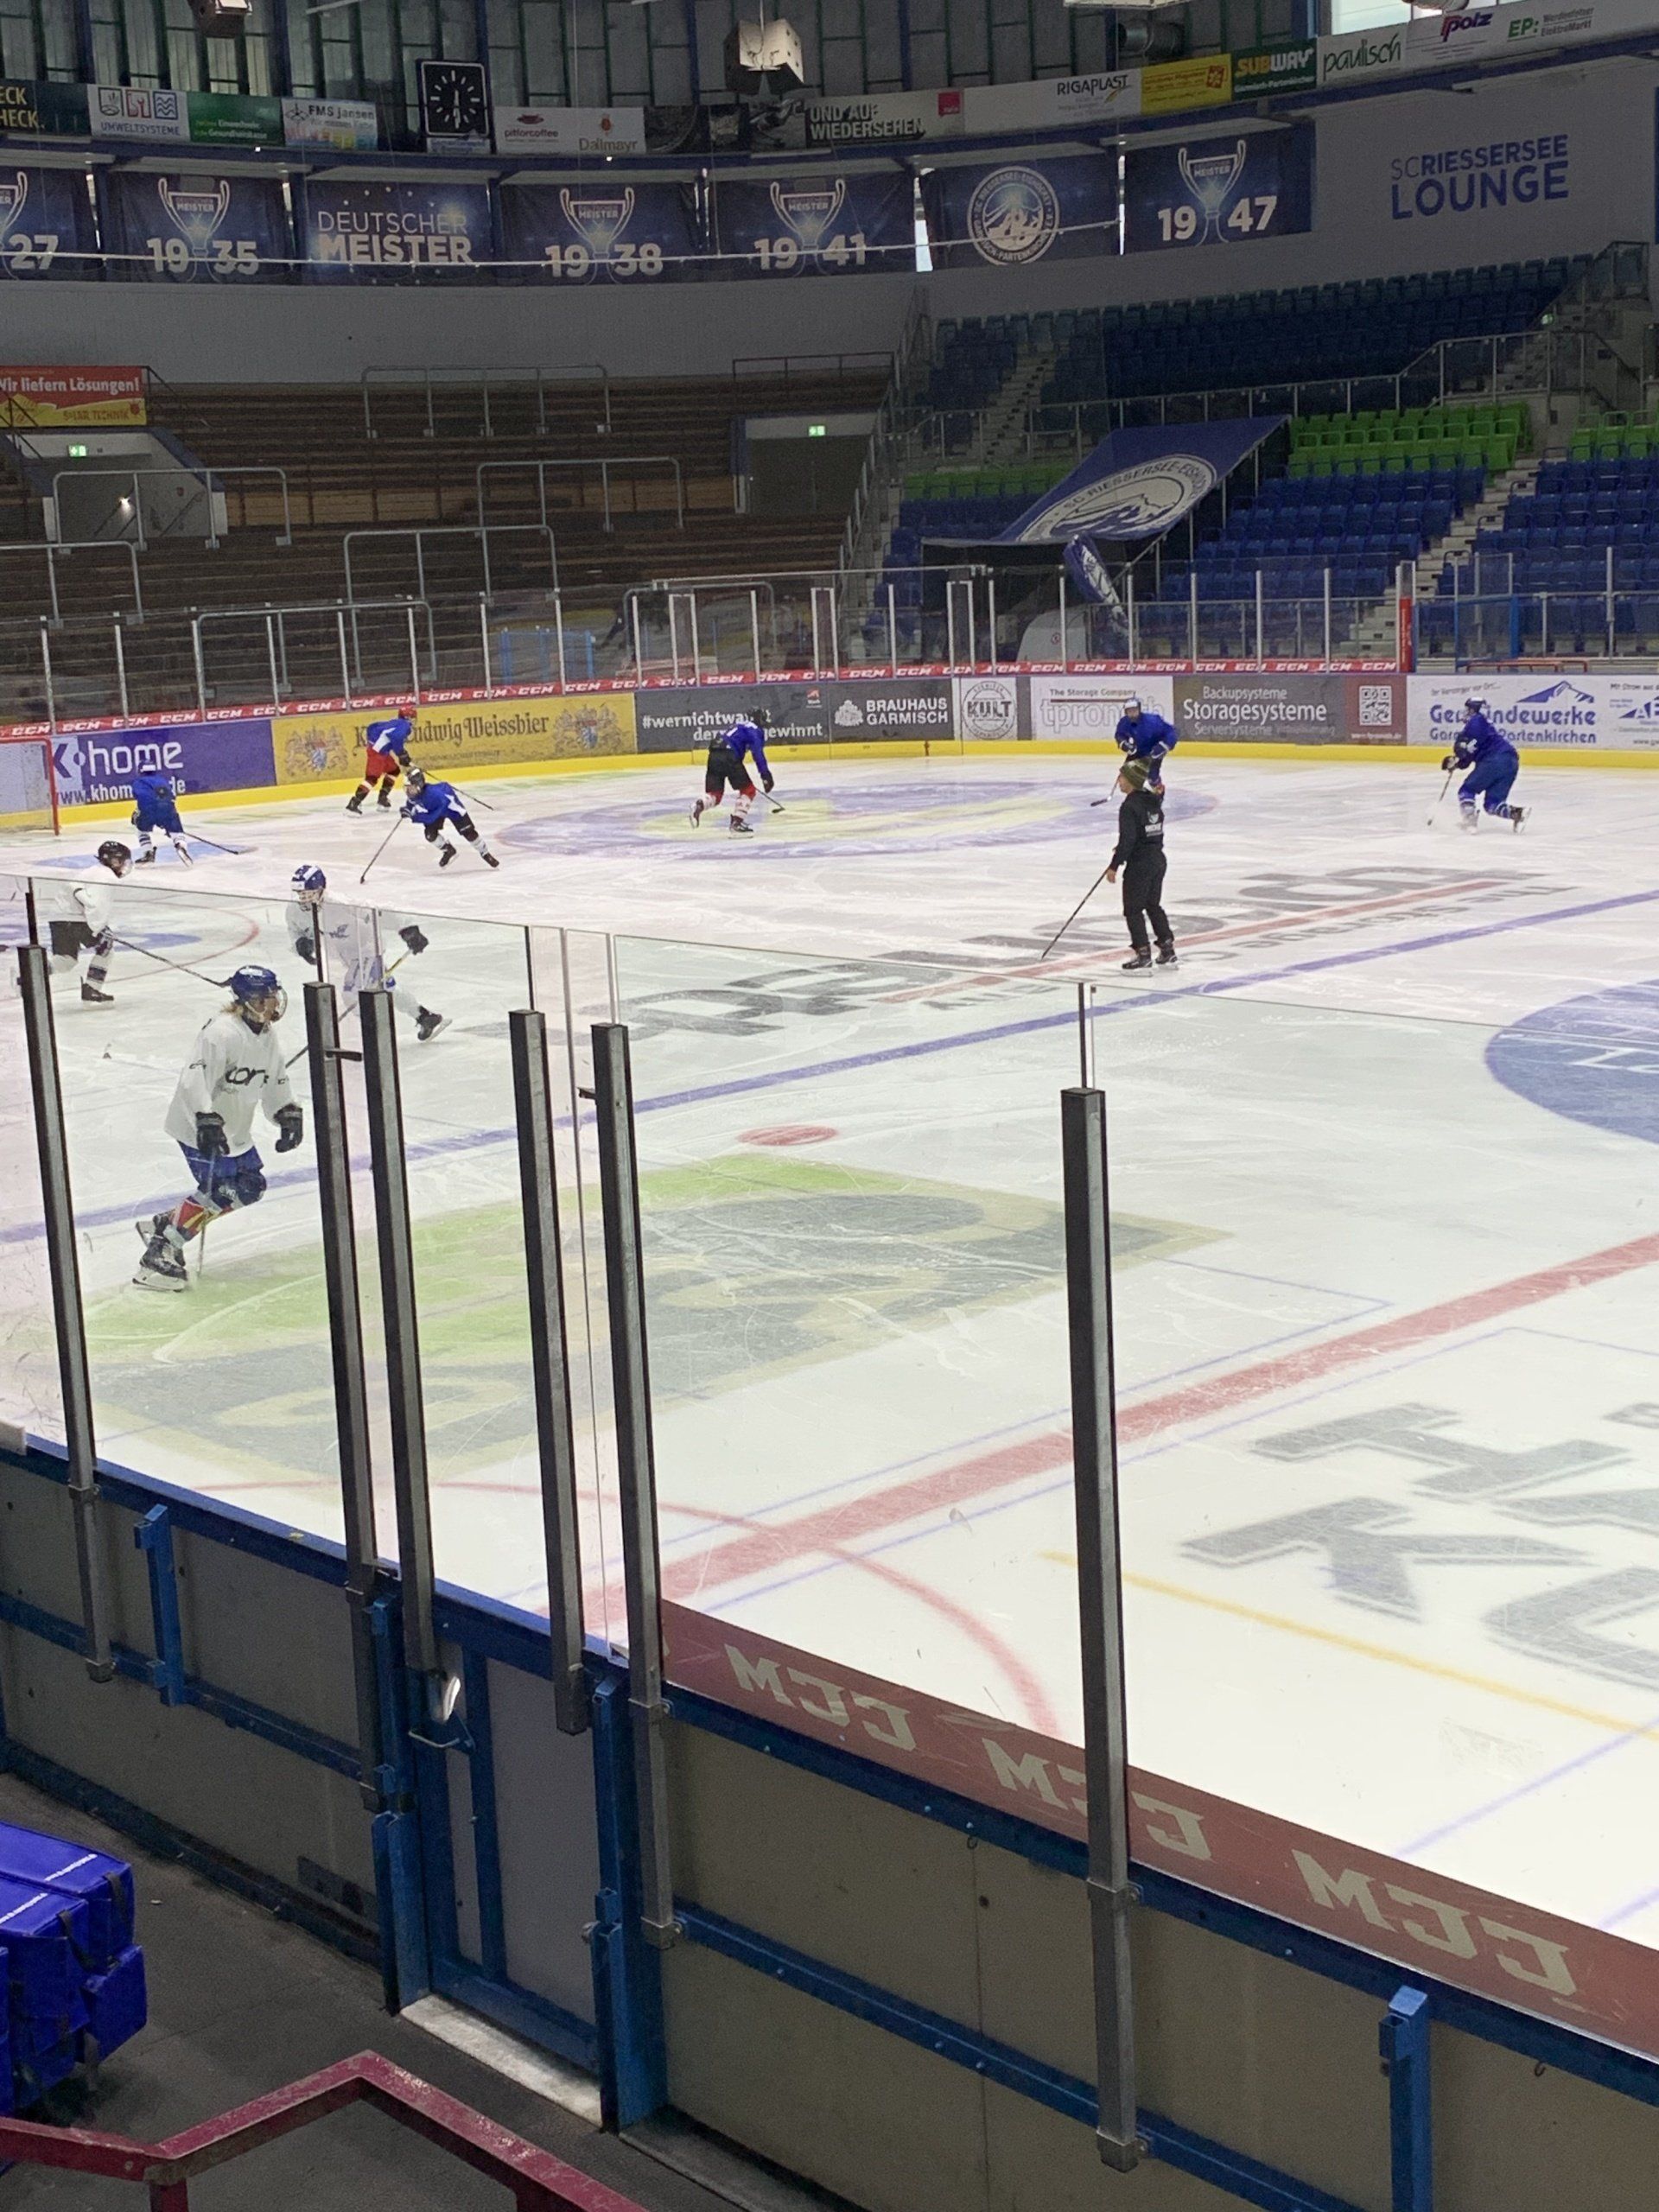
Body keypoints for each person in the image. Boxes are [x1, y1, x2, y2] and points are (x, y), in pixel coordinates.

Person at [132, 965, 303, 1292]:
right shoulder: (222, 1033)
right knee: (223, 1190)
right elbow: (194, 1079)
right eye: (264, 998)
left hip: (236, 1131)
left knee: (250, 1187)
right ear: (247, 1000)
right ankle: (160, 1250)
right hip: (196, 1126)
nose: (272, 1004)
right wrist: (205, 1117)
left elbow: (276, 1080)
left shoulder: (266, 1035)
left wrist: (286, 1113)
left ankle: (169, 1222)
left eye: (273, 997)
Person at [288, 864, 448, 1041]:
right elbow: (295, 931)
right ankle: (424, 1016)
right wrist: (300, 944)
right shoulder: (294, 911)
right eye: (301, 895)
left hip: (366, 949)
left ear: (321, 890)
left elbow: (375, 912)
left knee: (351, 994)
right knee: (386, 987)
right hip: (344, 956)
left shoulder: (340, 904)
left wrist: (407, 928)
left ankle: (376, 1035)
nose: (304, 900)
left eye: (308, 894)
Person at [31, 841, 131, 1006]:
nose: (123, 866)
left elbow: (81, 895)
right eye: (122, 862)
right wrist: (98, 929)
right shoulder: (106, 876)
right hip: (74, 919)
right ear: (114, 861)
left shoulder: (93, 871)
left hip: (59, 917)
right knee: (105, 946)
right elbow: (95, 906)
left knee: (65, 961)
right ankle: (92, 989)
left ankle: (25, 977)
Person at [1105, 760, 1176, 973]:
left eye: (1122, 777)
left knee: (1133, 909)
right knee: (1153, 905)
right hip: (1157, 860)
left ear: (1131, 780)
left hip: (1140, 865)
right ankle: (1167, 947)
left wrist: (1114, 865)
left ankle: (1143, 953)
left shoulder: (1129, 806)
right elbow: (1147, 832)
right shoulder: (1152, 801)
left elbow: (1128, 840)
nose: (1118, 781)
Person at [1445, 697, 1526, 831]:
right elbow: (1468, 755)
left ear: (1473, 710)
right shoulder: (1482, 725)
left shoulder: (1476, 721)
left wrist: (1459, 754)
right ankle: (1517, 813)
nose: (1465, 712)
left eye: (1468, 709)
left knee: (1466, 791)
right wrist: (1457, 763)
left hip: (1495, 760)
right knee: (1492, 804)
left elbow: (1470, 748)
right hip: (1511, 762)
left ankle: (1469, 820)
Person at [401, 767, 499, 869]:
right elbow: (411, 804)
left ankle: (485, 853)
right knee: (430, 835)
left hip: (451, 809)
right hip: (435, 809)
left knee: (469, 833)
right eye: (407, 788)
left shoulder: (436, 796)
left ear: (419, 785)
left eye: (410, 788)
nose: (408, 791)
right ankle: (449, 850)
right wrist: (408, 809)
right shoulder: (415, 794)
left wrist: (413, 816)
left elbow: (430, 818)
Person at [690, 715, 772, 836]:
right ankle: (736, 824)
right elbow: (758, 753)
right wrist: (765, 775)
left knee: (715, 794)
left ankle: (699, 805)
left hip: (714, 754)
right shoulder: (755, 730)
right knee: (748, 790)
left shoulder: (738, 726)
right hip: (730, 755)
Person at [347, 708, 416, 817]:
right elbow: (395, 737)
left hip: (382, 752)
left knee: (394, 771)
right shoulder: (404, 725)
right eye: (412, 717)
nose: (413, 720)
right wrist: (401, 753)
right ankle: (353, 804)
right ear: (408, 718)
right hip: (377, 753)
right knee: (372, 778)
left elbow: (372, 727)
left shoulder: (395, 722)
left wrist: (373, 742)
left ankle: (382, 799)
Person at [1114, 696, 1178, 788]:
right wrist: (1125, 744)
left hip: (1155, 750)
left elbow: (1170, 732)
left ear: (1139, 710)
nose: (1132, 713)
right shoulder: (1124, 722)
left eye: (1134, 710)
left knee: (1152, 777)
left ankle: (1158, 790)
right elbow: (1120, 734)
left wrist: (1163, 746)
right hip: (1138, 750)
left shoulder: (1152, 721)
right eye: (1129, 711)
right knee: (1127, 775)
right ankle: (1135, 794)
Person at [130, 769, 192, 865]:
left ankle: (148, 852)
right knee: (176, 831)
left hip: (148, 811)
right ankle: (181, 844)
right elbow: (171, 797)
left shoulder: (138, 782)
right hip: (168, 809)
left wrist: (137, 816)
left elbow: (141, 798)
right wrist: (167, 824)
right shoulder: (162, 780)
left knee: (141, 830)